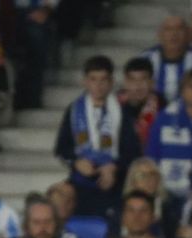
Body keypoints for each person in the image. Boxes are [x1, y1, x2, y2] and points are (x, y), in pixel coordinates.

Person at [57, 55, 142, 218]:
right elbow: (62, 148)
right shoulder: (74, 111)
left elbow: (133, 151)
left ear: (111, 82)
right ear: (85, 82)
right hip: (81, 183)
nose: (98, 85)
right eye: (93, 79)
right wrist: (77, 162)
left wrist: (114, 166)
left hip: (114, 184)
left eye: (103, 80)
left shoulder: (123, 112)